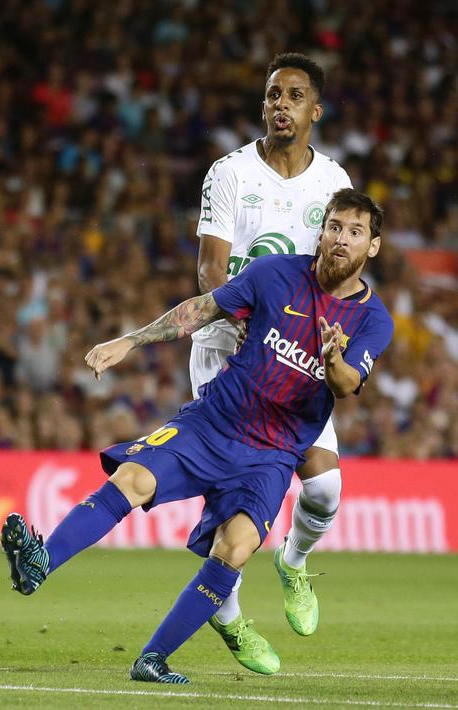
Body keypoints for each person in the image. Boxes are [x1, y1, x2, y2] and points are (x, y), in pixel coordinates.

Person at [1, 188, 393, 684]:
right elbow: (202, 310)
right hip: (214, 420)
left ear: (372, 247)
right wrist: (132, 339)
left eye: (355, 232)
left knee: (236, 546)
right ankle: (39, 563)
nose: (341, 239)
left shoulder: (374, 320)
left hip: (272, 454)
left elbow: (345, 385)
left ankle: (152, 659)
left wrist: (333, 357)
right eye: (335, 226)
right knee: (133, 478)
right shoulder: (275, 274)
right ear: (321, 230)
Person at [192, 52, 353, 672]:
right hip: (227, 353)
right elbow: (211, 271)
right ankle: (231, 623)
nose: (279, 105)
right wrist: (250, 335)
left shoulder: (331, 181)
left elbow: (339, 271)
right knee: (235, 513)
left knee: (326, 486)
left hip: (295, 357)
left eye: (293, 96)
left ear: (315, 110)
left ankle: (294, 563)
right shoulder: (230, 174)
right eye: (271, 95)